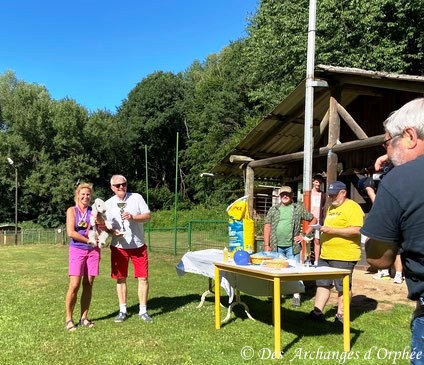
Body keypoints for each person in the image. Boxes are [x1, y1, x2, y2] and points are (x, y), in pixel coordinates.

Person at [361, 98, 424, 364]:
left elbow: (379, 259)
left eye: (388, 142)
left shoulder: (400, 180)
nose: (387, 151)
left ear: (409, 135)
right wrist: (392, 153)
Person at [306, 181, 364, 326]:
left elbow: (357, 230)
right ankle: (317, 312)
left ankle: (341, 316)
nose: (331, 198)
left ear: (343, 193)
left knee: (342, 286)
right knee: (322, 284)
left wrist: (333, 231)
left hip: (344, 255)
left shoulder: (353, 207)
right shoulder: (331, 207)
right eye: (330, 195)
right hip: (326, 254)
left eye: (334, 195)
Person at [105, 175, 153, 323]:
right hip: (119, 247)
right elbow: (105, 226)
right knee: (120, 279)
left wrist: (133, 217)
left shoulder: (136, 197)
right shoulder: (108, 204)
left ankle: (143, 311)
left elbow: (147, 216)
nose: (121, 187)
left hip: (138, 245)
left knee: (143, 278)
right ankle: (123, 310)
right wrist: (112, 232)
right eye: (118, 185)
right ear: (112, 188)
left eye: (123, 184)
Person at [263, 185, 317, 307]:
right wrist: (267, 244)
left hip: (293, 247)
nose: (285, 196)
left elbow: (314, 219)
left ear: (292, 196)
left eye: (287, 194)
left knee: (295, 272)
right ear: (279, 196)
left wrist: (303, 235)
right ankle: (276, 295)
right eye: (282, 194)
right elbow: (267, 226)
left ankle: (296, 296)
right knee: (276, 271)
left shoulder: (298, 208)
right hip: (276, 247)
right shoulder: (274, 209)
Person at [65, 183, 100, 331]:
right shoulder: (72, 210)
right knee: (74, 285)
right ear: (77, 195)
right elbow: (71, 233)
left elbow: (101, 227)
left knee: (88, 284)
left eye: (88, 194)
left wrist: (103, 230)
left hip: (93, 251)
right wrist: (88, 241)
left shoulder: (94, 211)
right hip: (77, 250)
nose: (86, 197)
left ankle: (84, 317)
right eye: (83, 194)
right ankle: (68, 319)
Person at [362, 180, 403, 283]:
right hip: (392, 223)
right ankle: (390, 273)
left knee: (395, 249)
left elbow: (377, 204)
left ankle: (393, 273)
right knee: (393, 248)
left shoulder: (390, 192)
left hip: (391, 223)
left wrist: (369, 190)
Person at [310, 174, 326, 265]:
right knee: (307, 240)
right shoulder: (309, 193)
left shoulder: (323, 194)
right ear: (313, 182)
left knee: (317, 240)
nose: (318, 184)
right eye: (316, 182)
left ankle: (316, 260)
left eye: (320, 182)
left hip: (319, 220)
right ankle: (306, 259)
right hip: (309, 220)